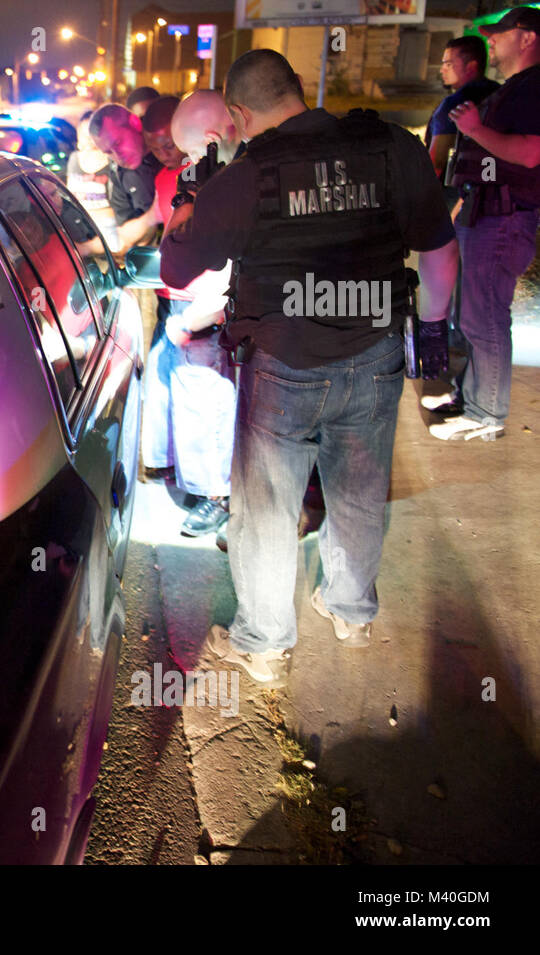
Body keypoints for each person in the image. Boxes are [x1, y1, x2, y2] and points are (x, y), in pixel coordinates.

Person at [161, 49, 459, 684]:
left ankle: (265, 644)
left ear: (236, 115)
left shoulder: (244, 177)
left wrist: (192, 197)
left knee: (267, 508)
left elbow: (177, 270)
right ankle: (352, 611)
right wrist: (431, 333)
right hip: (377, 354)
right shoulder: (389, 147)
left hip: (284, 365)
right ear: (297, 90)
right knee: (358, 489)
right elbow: (438, 251)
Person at [428, 8, 540, 441]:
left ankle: (486, 411)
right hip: (484, 212)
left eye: (500, 33)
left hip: (504, 218)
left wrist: (474, 129)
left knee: (485, 318)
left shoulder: (533, 89)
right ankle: (468, 394)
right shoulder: (517, 88)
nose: (490, 39)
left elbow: (531, 153)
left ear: (527, 38)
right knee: (471, 315)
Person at [136, 93, 237, 536]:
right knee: (180, 394)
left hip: (204, 306)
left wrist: (195, 317)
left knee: (206, 403)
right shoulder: (189, 180)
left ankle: (218, 495)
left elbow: (227, 263)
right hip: (183, 299)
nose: (177, 157)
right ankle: (193, 477)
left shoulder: (226, 181)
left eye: (184, 148)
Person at [426, 35, 499, 184]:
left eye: (448, 64)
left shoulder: (453, 104)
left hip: (457, 193)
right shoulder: (500, 93)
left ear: (471, 67)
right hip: (498, 189)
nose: (442, 70)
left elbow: (436, 162)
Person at [89, 104, 162, 251]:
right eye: (108, 152)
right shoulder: (118, 173)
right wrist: (154, 214)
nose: (117, 156)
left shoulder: (170, 145)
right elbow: (125, 234)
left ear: (135, 123)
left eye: (118, 143)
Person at [66, 111, 117, 246]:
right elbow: (70, 198)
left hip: (109, 232)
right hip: (81, 232)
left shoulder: (113, 161)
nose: (88, 138)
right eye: (84, 134)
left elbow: (119, 205)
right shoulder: (74, 159)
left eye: (91, 133)